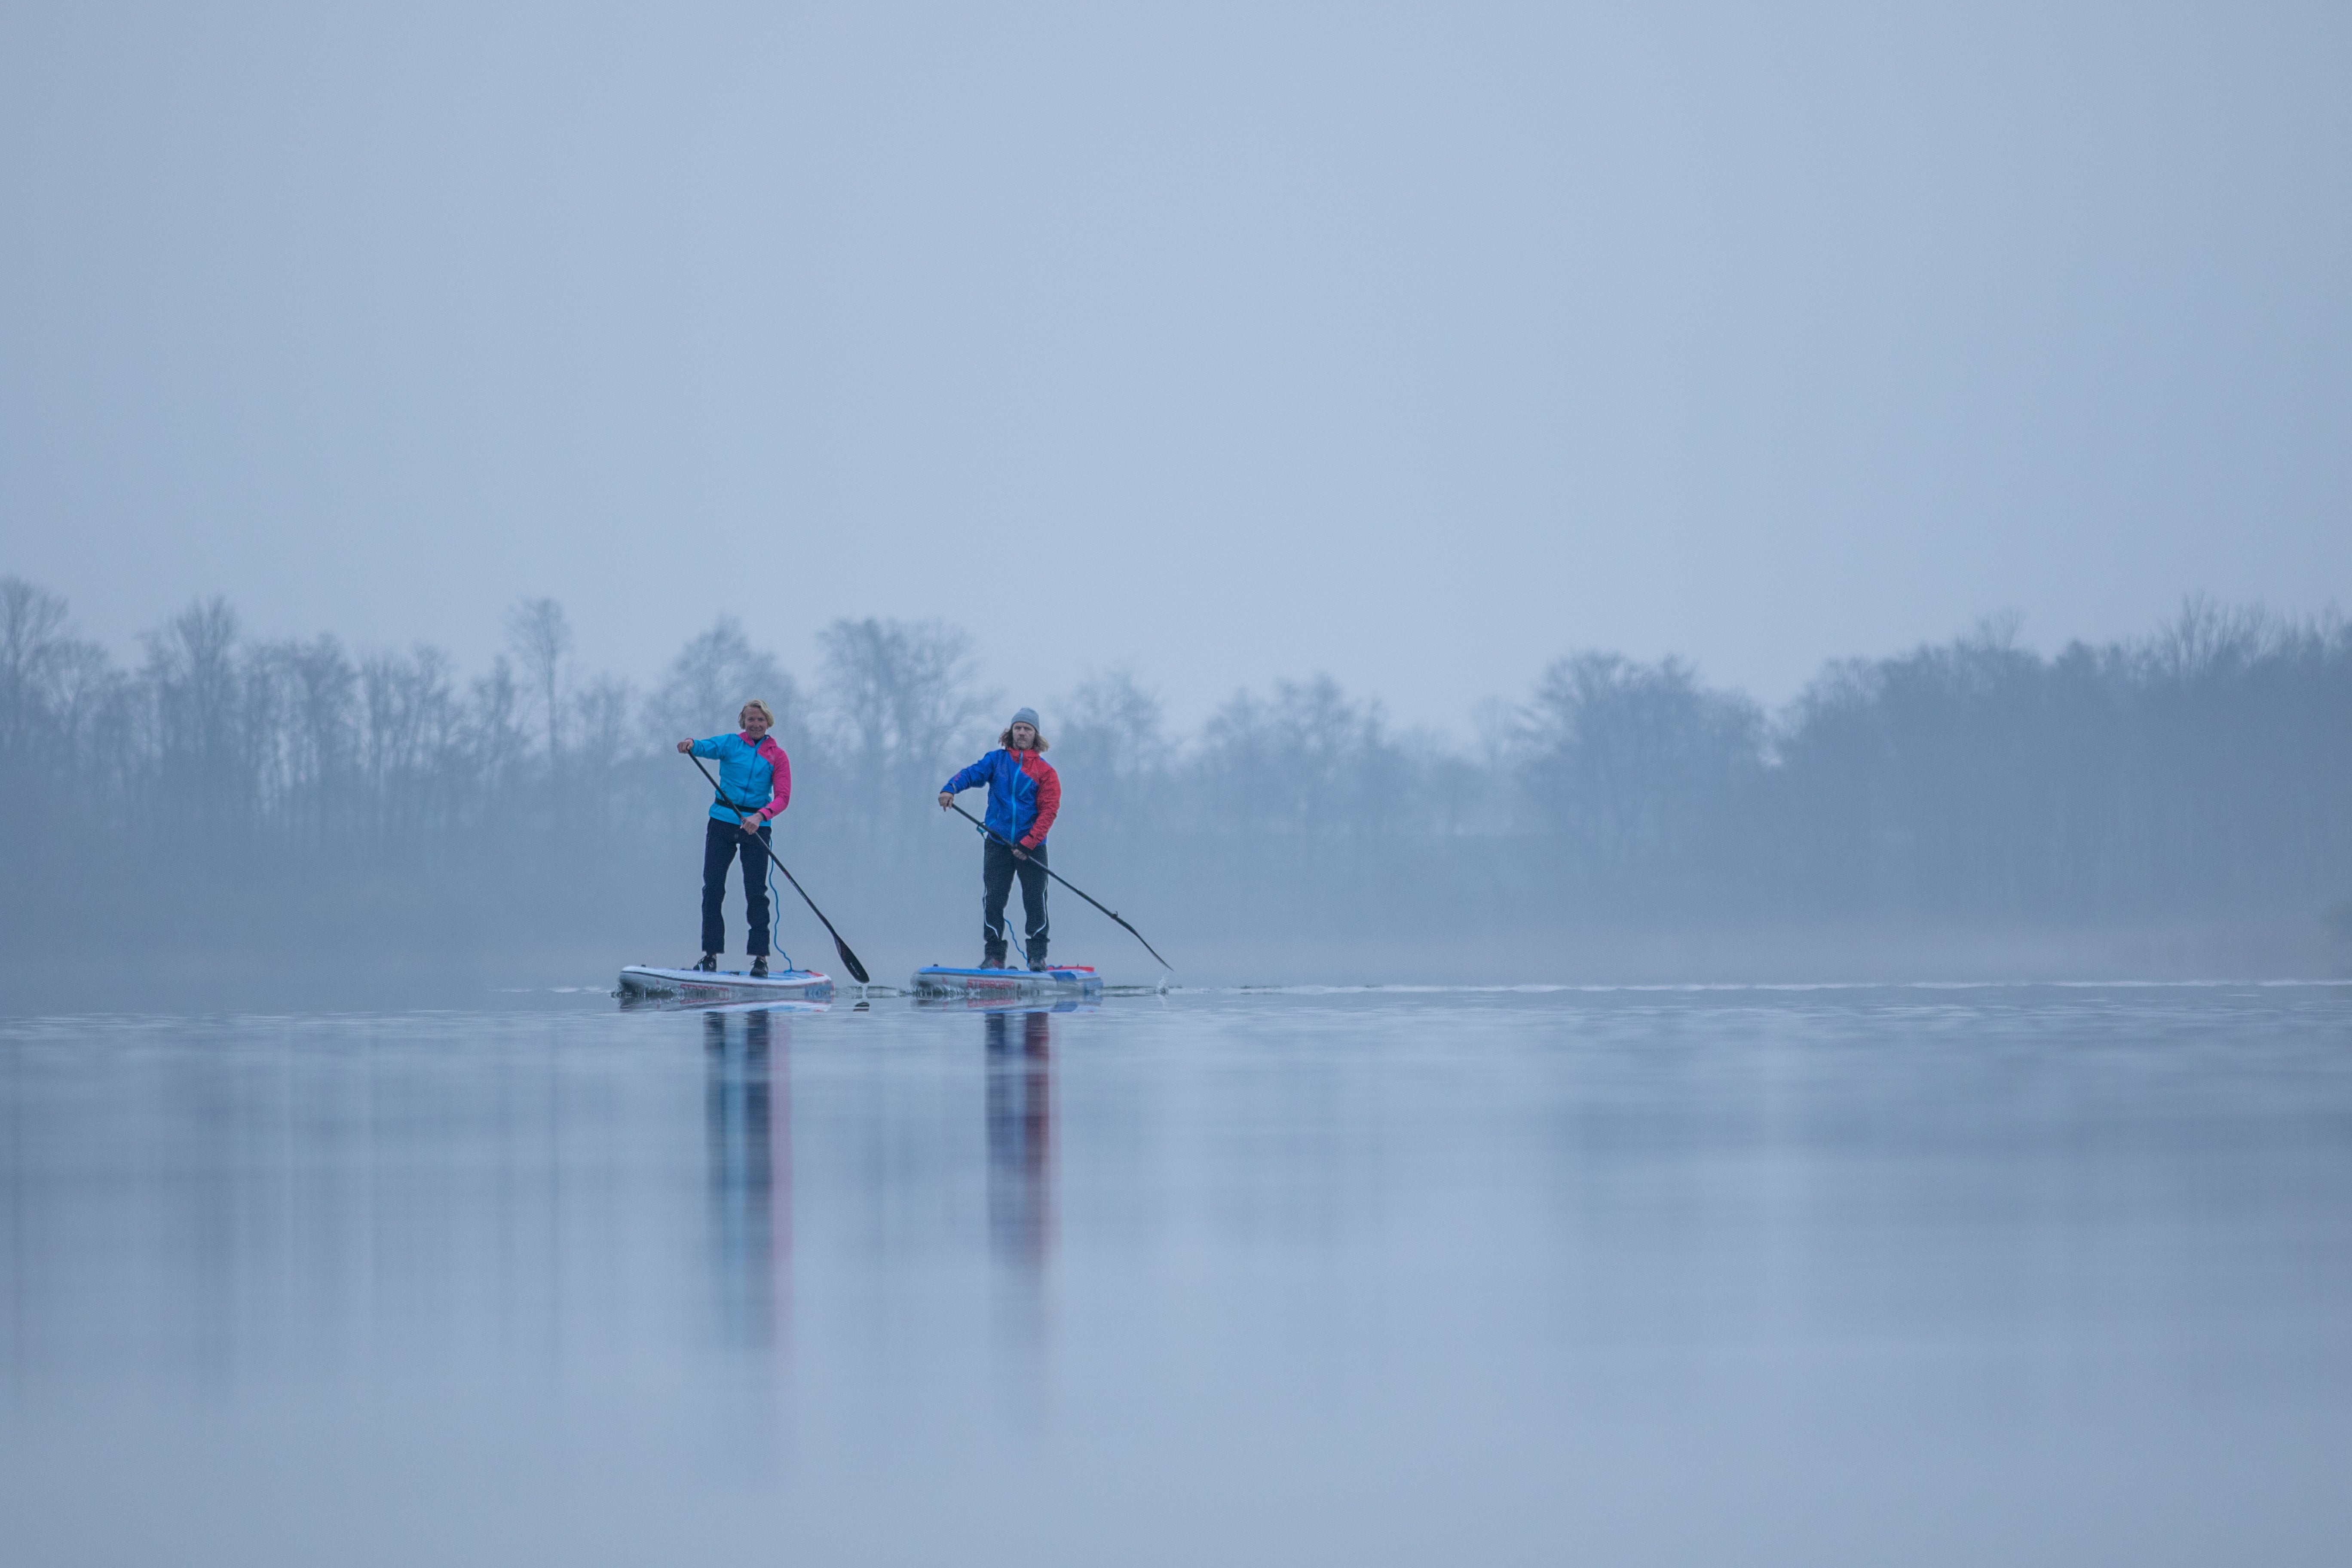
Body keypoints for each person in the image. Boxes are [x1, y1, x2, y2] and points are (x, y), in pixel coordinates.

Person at [939, 707, 1061, 970]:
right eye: (1018, 728)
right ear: (1011, 732)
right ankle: (994, 956)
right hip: (998, 843)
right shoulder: (996, 761)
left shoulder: (1045, 772)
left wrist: (1028, 844)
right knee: (993, 899)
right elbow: (972, 774)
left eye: (1027, 729)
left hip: (1033, 847)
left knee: (1036, 900)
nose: (1022, 732)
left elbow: (1049, 812)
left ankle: (1037, 958)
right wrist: (951, 788)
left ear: (1035, 735)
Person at [677, 700, 792, 975]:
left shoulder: (777, 756)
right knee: (713, 890)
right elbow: (706, 747)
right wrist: (691, 743)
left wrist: (760, 817)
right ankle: (710, 956)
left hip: (757, 826)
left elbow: (783, 798)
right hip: (722, 823)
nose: (756, 725)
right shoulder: (731, 744)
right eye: (751, 720)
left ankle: (761, 959)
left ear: (768, 723)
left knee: (756, 893)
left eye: (761, 720)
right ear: (743, 721)